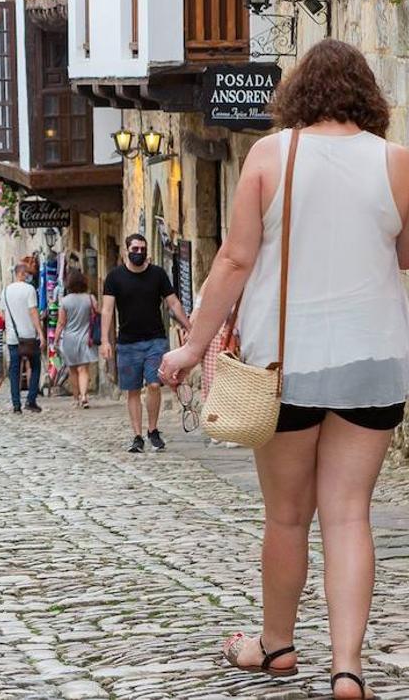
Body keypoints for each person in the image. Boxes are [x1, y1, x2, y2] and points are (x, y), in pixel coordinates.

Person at [159, 39, 409, 700]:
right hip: (373, 362)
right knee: (349, 514)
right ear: (368, 98)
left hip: (284, 364)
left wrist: (191, 347)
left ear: (297, 95)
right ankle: (349, 667)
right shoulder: (397, 163)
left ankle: (275, 646)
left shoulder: (271, 155)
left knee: (288, 517)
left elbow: (234, 261)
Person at [100, 234, 191, 452]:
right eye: (135, 249)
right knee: (132, 390)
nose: (139, 253)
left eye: (142, 249)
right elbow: (107, 309)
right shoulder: (114, 277)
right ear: (126, 251)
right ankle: (137, 436)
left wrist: (189, 327)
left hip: (155, 340)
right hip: (128, 342)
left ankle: (153, 429)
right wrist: (105, 340)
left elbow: (173, 302)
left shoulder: (157, 274)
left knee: (153, 384)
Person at [3, 263, 45, 414]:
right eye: (27, 273)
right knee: (35, 367)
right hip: (28, 335)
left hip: (13, 337)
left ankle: (16, 404)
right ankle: (31, 400)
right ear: (23, 273)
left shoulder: (6, 290)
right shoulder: (29, 289)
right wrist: (40, 332)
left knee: (14, 370)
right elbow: (33, 311)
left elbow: (3, 314)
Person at [55, 270, 99, 409]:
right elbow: (97, 313)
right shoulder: (90, 298)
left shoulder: (65, 301)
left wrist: (56, 339)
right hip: (86, 337)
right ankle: (85, 396)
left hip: (69, 338)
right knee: (83, 369)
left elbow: (61, 322)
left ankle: (76, 398)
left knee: (72, 370)